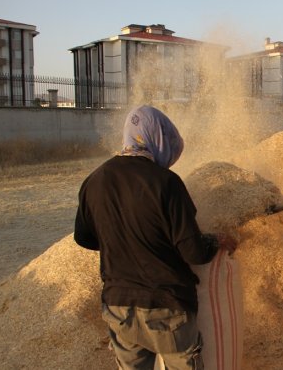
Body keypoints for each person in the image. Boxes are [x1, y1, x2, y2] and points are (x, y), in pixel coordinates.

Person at [74, 105, 235, 370]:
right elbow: (193, 252)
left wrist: (120, 241)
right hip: (167, 308)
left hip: (118, 306)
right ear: (157, 137)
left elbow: (83, 237)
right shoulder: (166, 183)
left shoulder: (94, 180)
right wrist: (215, 240)